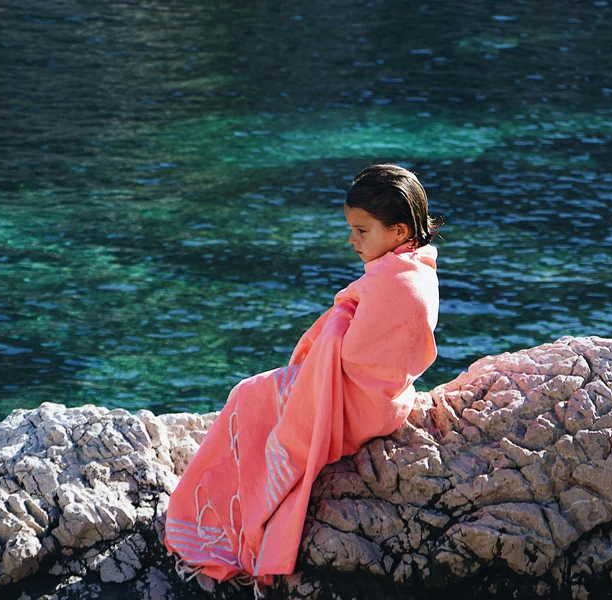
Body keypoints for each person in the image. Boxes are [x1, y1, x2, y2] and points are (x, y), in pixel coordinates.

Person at [164, 163, 443, 591]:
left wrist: (340, 320)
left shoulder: (397, 284)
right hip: (382, 396)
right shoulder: (416, 266)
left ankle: (212, 522)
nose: (352, 239)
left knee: (248, 397)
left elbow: (351, 356)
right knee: (254, 396)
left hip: (356, 403)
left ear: (401, 231)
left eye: (362, 230)